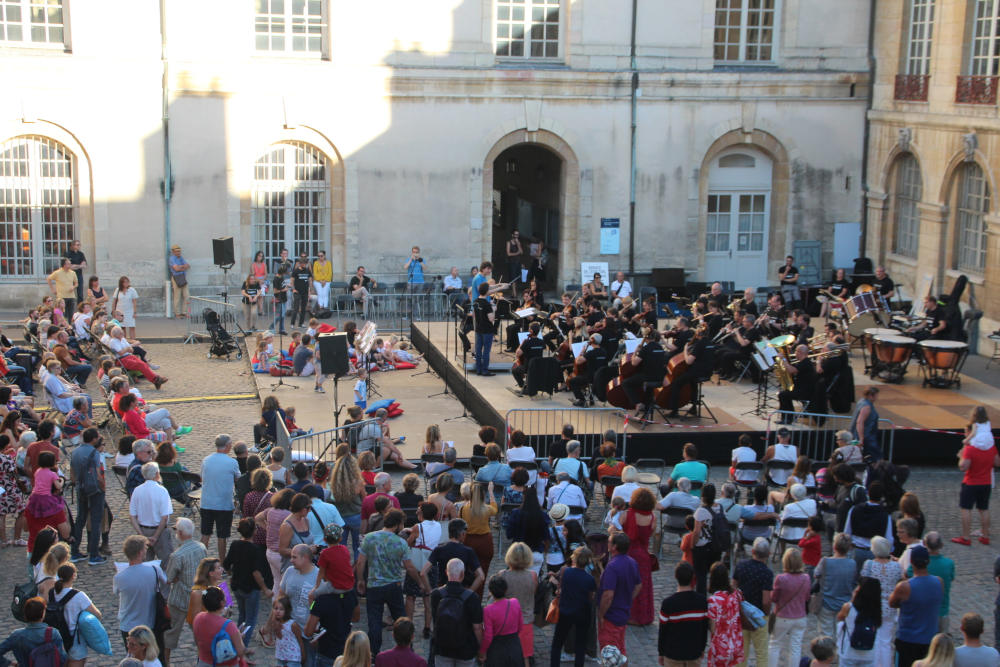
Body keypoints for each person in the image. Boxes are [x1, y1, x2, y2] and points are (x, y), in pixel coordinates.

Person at [357, 509, 426, 656]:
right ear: (397, 525)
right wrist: (420, 582)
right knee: (401, 620)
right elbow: (409, 567)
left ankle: (373, 654)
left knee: (374, 622)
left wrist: (361, 580)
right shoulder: (400, 542)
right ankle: (408, 650)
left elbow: (360, 562)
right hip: (393, 586)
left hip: (374, 586)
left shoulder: (369, 538)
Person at [162, 518, 206, 665]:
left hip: (180, 599)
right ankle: (203, 660)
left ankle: (166, 662)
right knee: (199, 634)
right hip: (197, 600)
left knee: (171, 632)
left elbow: (168, 578)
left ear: (180, 533)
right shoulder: (201, 547)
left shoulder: (177, 555)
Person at [891, 545, 943, 667]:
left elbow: (892, 603)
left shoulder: (904, 587)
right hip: (929, 639)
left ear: (912, 562)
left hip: (907, 639)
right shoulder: (939, 582)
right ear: (928, 561)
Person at [223, 518, 271, 647]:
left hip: (237, 586)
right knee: (250, 619)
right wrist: (265, 589)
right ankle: (242, 647)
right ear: (254, 531)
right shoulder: (255, 550)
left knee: (242, 616)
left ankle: (236, 642)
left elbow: (226, 564)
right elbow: (256, 573)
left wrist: (231, 574)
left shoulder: (235, 544)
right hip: (250, 588)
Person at [954, 410, 999, 546]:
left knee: (966, 509)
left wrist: (961, 456)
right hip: (986, 482)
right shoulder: (991, 447)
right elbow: (997, 463)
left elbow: (963, 467)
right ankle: (985, 536)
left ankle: (966, 537)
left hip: (971, 482)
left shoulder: (971, 448)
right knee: (984, 509)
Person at [430, 557, 483, 667]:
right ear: (462, 574)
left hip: (442, 648)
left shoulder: (436, 595)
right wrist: (479, 647)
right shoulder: (472, 597)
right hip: (465, 649)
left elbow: (435, 620)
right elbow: (477, 627)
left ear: (446, 572)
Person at [549, 547, 596, 667]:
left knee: (557, 643)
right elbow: (590, 598)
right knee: (580, 644)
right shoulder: (590, 579)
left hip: (566, 611)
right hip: (582, 613)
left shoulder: (566, 571)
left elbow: (560, 589)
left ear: (574, 558)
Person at [860, 535, 903, 667]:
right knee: (886, 640)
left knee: (874, 638)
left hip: (873, 606)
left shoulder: (869, 564)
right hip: (889, 607)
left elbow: (862, 581)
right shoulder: (896, 566)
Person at [597, 532, 640, 656]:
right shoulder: (632, 562)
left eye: (609, 542)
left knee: (609, 653)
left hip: (611, 616)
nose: (607, 544)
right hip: (623, 613)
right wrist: (627, 598)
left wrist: (601, 614)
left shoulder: (612, 567)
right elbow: (638, 585)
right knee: (621, 650)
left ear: (615, 547)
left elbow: (608, 595)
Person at [658, 561, 709, 667]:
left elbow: (663, 631)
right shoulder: (702, 602)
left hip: (673, 654)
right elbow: (704, 629)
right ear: (692, 578)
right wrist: (702, 649)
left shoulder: (668, 603)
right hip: (694, 653)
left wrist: (661, 653)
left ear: (676, 576)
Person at [732, 537, 772, 667]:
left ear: (753, 551)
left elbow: (733, 589)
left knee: (741, 653)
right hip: (758, 615)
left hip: (741, 615)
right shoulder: (767, 573)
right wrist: (766, 616)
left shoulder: (741, 566)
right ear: (768, 554)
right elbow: (766, 600)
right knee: (761, 653)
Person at [50, 563, 101, 665]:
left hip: (54, 639)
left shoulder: (51, 593)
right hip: (74, 641)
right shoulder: (79, 596)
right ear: (73, 576)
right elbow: (97, 615)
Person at [69, 429, 107, 565]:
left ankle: (74, 551)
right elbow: (98, 475)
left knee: (80, 519)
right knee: (96, 521)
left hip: (80, 488)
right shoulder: (94, 453)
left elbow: (72, 474)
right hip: (94, 489)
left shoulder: (75, 452)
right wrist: (103, 488)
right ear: (93, 439)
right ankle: (94, 554)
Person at [768, 547, 811, 667]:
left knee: (775, 644)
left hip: (783, 616)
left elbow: (774, 598)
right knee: (796, 647)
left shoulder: (781, 578)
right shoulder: (806, 578)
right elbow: (807, 597)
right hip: (800, 616)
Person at [200, 433, 241, 557]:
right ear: (228, 446)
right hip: (223, 504)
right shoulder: (231, 462)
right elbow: (237, 479)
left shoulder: (206, 460)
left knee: (205, 534)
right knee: (222, 536)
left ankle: (201, 561)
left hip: (207, 502)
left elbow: (202, 478)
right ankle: (222, 563)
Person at [128, 462, 174, 561]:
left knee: (145, 563)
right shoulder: (162, 491)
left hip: (143, 529)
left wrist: (141, 535)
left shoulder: (137, 490)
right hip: (160, 531)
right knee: (166, 563)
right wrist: (156, 536)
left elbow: (132, 516)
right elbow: (165, 517)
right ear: (157, 474)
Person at [815, 533, 858, 638]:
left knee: (825, 634)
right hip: (844, 603)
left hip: (826, 602)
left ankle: (827, 653)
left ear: (834, 546)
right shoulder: (852, 563)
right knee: (841, 634)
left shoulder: (825, 561)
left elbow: (816, 575)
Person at [835, 576, 884, 667]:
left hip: (848, 651)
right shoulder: (877, 611)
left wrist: (854, 597)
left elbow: (840, 618)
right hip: (869, 653)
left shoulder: (848, 607)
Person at [843, 482, 893, 569]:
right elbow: (889, 538)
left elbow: (847, 532)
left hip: (856, 550)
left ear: (868, 493)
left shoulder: (854, 509)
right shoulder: (885, 514)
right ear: (882, 497)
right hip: (875, 553)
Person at [192, 587, 246, 667]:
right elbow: (240, 651)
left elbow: (197, 642)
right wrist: (240, 638)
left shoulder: (198, 618)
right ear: (222, 603)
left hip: (204, 662)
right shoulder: (229, 625)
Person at [706, 561, 744, 667]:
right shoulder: (737, 594)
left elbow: (713, 628)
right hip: (736, 643)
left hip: (721, 648)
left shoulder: (713, 601)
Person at [692, 483, 723, 595]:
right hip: (716, 545)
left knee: (701, 575)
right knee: (715, 574)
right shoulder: (719, 507)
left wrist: (692, 545)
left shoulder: (701, 511)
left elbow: (696, 531)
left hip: (703, 547)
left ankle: (701, 600)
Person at [850, 386, 881, 461]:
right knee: (874, 457)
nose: (877, 397)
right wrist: (861, 438)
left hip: (860, 436)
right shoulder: (866, 407)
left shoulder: (862, 401)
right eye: (876, 395)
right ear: (871, 395)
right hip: (866, 437)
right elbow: (860, 422)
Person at [168, 245, 190, 318]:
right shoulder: (172, 259)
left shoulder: (181, 258)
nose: (179, 253)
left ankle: (184, 312)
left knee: (186, 295)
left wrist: (180, 267)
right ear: (173, 252)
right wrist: (183, 267)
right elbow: (176, 269)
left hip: (183, 277)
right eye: (177, 251)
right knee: (177, 296)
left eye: (179, 251)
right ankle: (177, 313)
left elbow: (188, 266)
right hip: (176, 278)